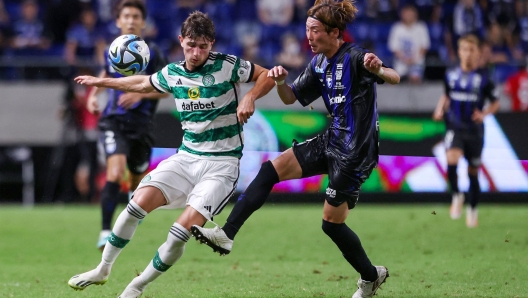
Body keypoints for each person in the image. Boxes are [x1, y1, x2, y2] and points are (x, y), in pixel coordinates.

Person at [190, 1, 400, 297]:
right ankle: (226, 234)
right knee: (269, 170)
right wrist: (279, 82)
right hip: (332, 140)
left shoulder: (355, 57)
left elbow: (394, 76)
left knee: (331, 224)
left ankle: (370, 276)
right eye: (307, 30)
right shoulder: (319, 64)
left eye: (315, 31)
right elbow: (290, 98)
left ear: (334, 32)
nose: (309, 37)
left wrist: (379, 68)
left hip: (355, 151)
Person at [68, 10, 275, 298]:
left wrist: (250, 96)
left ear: (212, 44)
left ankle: (136, 287)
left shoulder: (228, 66)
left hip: (222, 165)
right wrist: (102, 83)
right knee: (135, 204)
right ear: (181, 41)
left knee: (180, 232)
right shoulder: (173, 73)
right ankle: (103, 269)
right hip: (186, 157)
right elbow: (142, 82)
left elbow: (266, 74)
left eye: (203, 46)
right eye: (191, 45)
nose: (196, 52)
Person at [86, 0, 168, 251]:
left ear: (143, 22)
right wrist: (94, 93)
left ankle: (134, 202)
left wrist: (140, 95)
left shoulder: (153, 52)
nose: (131, 20)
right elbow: (104, 72)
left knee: (136, 181)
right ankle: (104, 231)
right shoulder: (112, 49)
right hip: (114, 120)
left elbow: (166, 89)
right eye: (126, 16)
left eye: (135, 16)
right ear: (118, 21)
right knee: (114, 172)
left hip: (142, 125)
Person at [432, 34, 500, 228]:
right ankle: (457, 195)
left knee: (473, 172)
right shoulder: (451, 74)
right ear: (459, 52)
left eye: (472, 50)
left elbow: (496, 102)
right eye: (464, 50)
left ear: (478, 53)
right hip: (455, 126)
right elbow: (447, 95)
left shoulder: (484, 78)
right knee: (451, 161)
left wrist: (484, 113)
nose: (468, 54)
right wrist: (439, 109)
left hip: (475, 130)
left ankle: (472, 209)